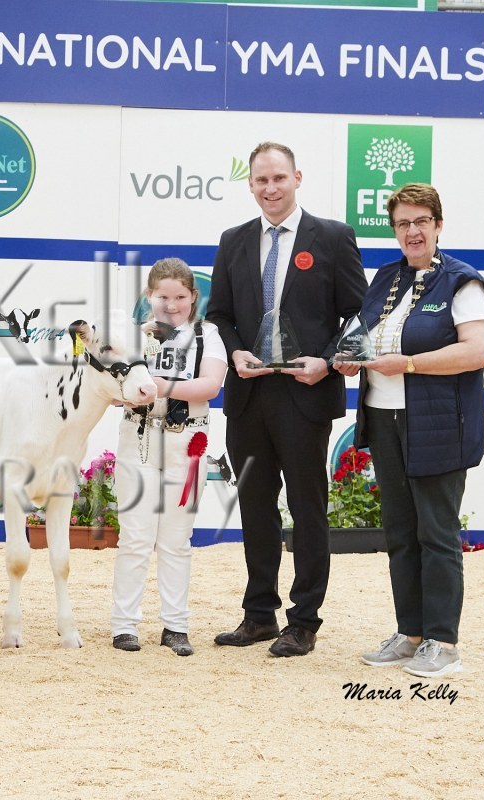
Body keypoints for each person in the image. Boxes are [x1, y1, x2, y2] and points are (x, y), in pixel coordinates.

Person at [205, 142, 367, 657]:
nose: (270, 188)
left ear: (297, 178)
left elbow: (358, 315)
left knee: (307, 508)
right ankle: (259, 615)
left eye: (279, 178)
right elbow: (219, 315)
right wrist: (235, 351)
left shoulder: (333, 237)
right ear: (250, 185)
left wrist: (327, 360)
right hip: (248, 395)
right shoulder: (233, 240)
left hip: (305, 394)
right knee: (255, 507)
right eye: (261, 180)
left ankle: (304, 622)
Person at [335, 183, 484, 678]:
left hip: (438, 423)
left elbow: (477, 351)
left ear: (438, 225)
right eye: (403, 223)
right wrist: (350, 358)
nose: (412, 231)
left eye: (421, 221)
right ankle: (411, 634)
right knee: (400, 532)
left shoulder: (463, 282)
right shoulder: (385, 278)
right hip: (382, 416)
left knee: (437, 533)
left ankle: (443, 643)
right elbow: (362, 338)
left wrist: (409, 363)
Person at [112, 258, 227, 656]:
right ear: (150, 296)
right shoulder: (132, 337)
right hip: (139, 437)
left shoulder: (208, 335)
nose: (172, 305)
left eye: (180, 297)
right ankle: (124, 625)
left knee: (177, 539)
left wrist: (161, 386)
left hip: (188, 441)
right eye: (163, 297)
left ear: (193, 297)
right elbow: (112, 387)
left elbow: (210, 386)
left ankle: (175, 626)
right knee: (135, 536)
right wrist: (127, 393)